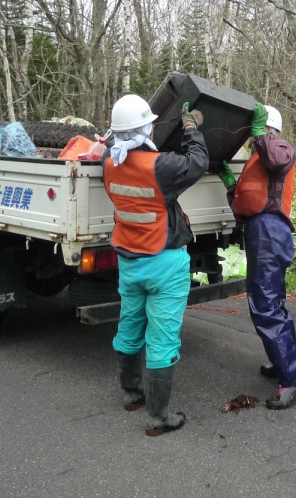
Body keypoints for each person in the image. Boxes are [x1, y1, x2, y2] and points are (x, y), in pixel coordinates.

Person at [103, 94, 208, 436]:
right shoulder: (160, 166)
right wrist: (191, 128)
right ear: (145, 127)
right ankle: (159, 417)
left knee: (130, 328)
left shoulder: (109, 162)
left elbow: (114, 148)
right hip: (165, 263)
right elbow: (197, 161)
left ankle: (132, 394)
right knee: (162, 339)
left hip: (129, 262)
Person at [219, 103, 296, 409]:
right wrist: (231, 185)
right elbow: (250, 202)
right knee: (272, 304)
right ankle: (287, 365)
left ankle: (291, 378)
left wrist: (259, 134)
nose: (248, 137)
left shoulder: (280, 148)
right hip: (262, 232)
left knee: (266, 307)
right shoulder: (258, 158)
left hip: (270, 233)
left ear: (267, 129)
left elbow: (276, 157)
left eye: (254, 131)